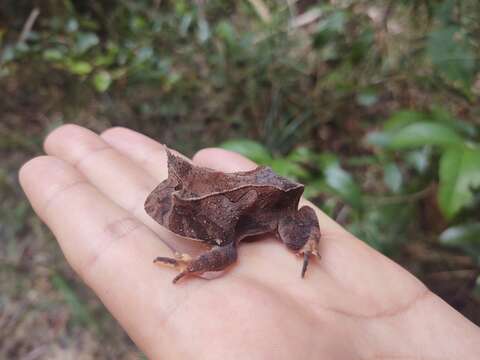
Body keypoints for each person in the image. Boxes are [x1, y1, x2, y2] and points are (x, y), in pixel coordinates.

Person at [19, 124, 480, 359]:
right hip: (245, 183)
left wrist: (190, 264)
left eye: (178, 208)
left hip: (272, 202)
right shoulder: (194, 191)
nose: (165, 208)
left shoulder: (220, 225)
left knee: (293, 233)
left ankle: (309, 240)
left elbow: (227, 252)